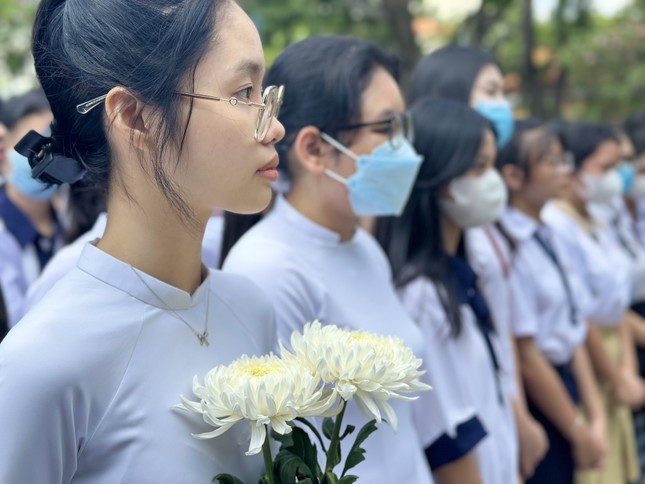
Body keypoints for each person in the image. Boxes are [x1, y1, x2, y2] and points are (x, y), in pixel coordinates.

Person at [0, 0, 285, 482]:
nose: (274, 126)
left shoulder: (252, 307)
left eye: (264, 93)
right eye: (242, 93)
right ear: (134, 118)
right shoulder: (43, 364)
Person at [223, 35, 434, 483]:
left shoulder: (364, 247)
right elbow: (276, 452)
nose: (404, 148)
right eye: (386, 128)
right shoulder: (268, 269)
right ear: (315, 150)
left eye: (404, 126)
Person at [406, 44, 548, 478]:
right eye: (490, 90)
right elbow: (448, 435)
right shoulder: (423, 295)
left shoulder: (463, 259)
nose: (502, 104)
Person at [377, 98, 517, 483]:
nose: (492, 181)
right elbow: (447, 437)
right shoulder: (421, 295)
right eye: (478, 167)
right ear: (437, 175)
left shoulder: (460, 275)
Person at [486, 120, 608, 483]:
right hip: (541, 399)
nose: (564, 170)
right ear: (513, 176)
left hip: (567, 388)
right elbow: (527, 355)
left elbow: (575, 328)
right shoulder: (507, 243)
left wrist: (595, 417)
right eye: (551, 161)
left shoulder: (550, 230)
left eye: (563, 159)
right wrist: (576, 429)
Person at [543, 121, 643, 484]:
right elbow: (581, 312)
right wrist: (616, 377)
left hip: (617, 353)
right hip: (592, 358)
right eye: (606, 168)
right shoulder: (557, 223)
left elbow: (617, 300)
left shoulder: (598, 216)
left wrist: (628, 369)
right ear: (573, 168)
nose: (616, 178)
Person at [0, 88, 63, 327]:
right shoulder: (5, 235)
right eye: (35, 148)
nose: (47, 157)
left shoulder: (73, 218)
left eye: (53, 145)